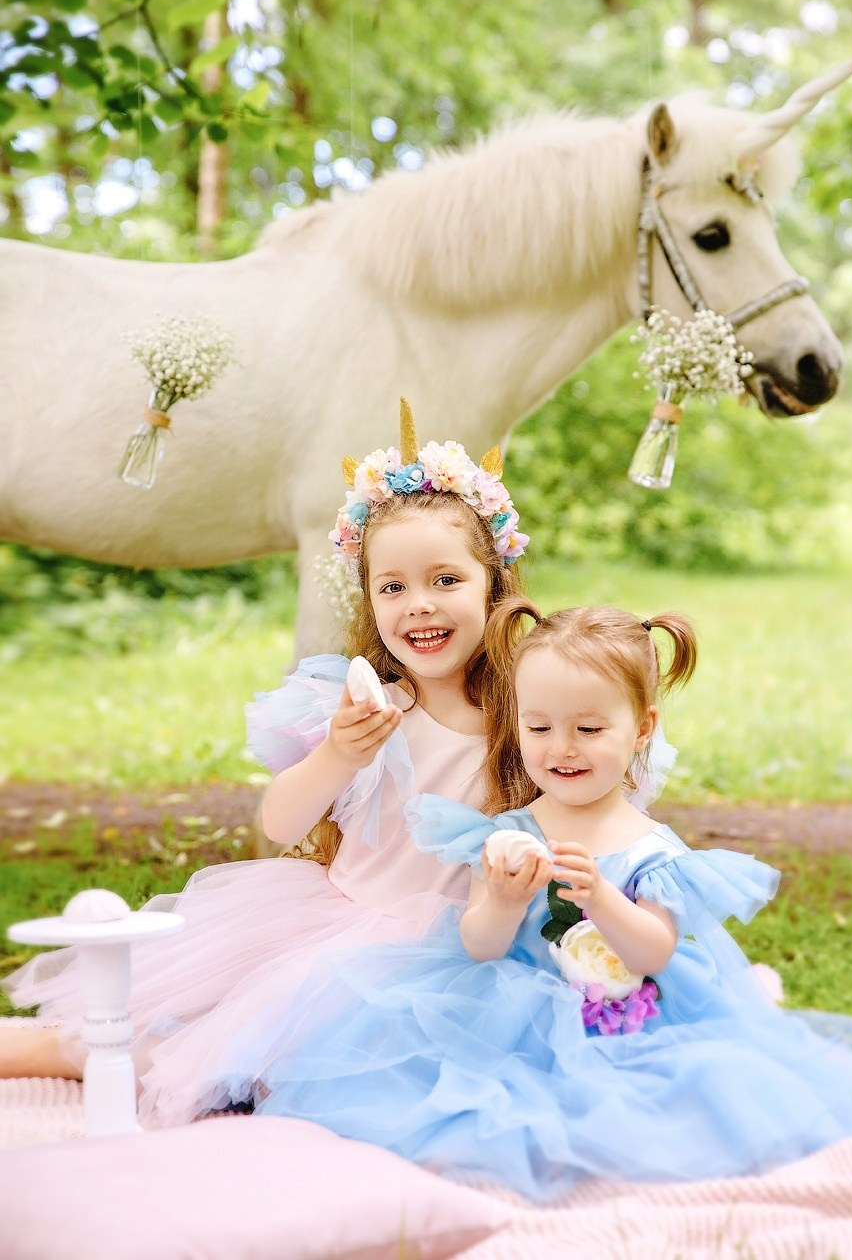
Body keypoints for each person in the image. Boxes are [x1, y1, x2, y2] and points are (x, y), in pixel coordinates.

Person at [218, 599, 852, 1201]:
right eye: (538, 728)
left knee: (660, 1099)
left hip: (624, 1016)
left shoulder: (651, 847)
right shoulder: (505, 832)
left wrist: (601, 897)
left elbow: (653, 953)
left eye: (588, 730)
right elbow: (479, 945)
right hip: (509, 1009)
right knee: (464, 1093)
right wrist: (504, 900)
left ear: (642, 729)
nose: (560, 749)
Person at [0, 405, 537, 1125]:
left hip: (473, 939)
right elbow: (281, 822)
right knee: (213, 1049)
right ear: (369, 598)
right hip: (340, 931)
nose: (418, 605)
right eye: (392, 587)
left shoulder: (532, 712)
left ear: (493, 583)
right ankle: (54, 1051)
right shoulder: (366, 707)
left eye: (445, 580)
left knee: (373, 1069)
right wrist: (338, 755)